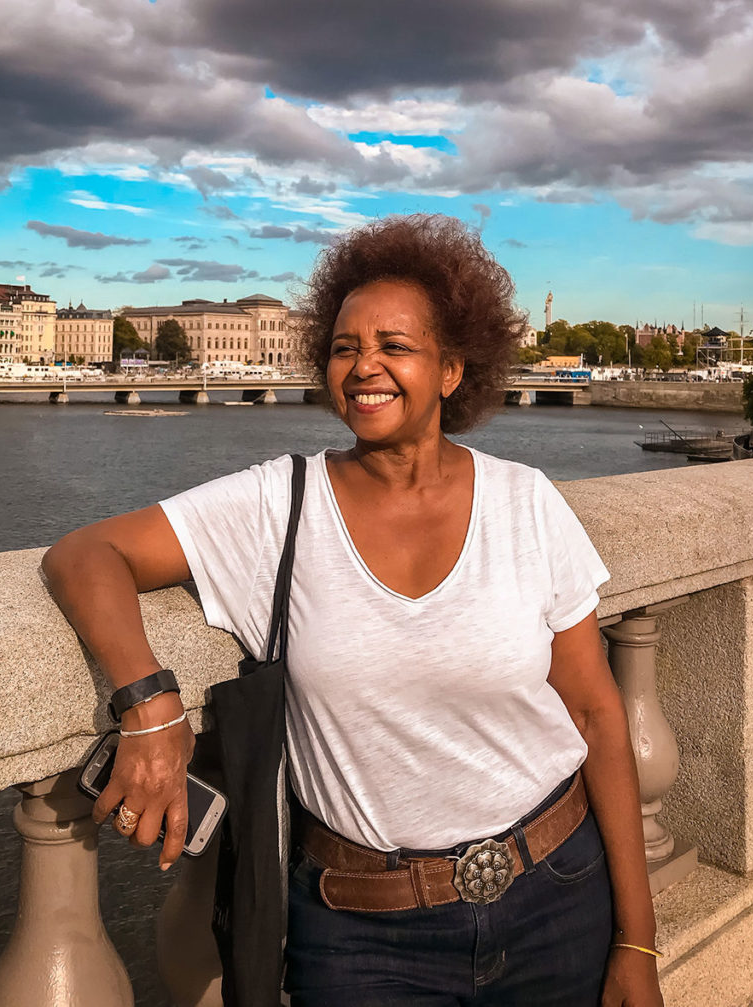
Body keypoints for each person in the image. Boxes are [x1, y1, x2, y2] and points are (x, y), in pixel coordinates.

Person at [41, 214, 664, 1006]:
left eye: (394, 346)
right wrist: (149, 704)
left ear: (450, 369)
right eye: (344, 346)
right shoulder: (279, 504)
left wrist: (636, 940)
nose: (365, 365)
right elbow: (85, 555)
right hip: (365, 936)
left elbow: (597, 714)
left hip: (558, 893)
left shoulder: (525, 502)